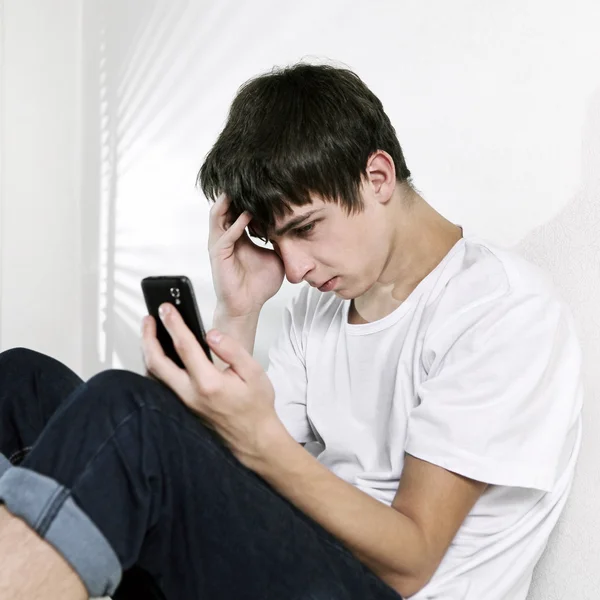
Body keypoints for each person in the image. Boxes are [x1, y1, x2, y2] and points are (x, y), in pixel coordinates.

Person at [0, 63, 582, 600]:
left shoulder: (499, 308)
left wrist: (262, 440)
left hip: (384, 590)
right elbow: (234, 463)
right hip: (295, 562)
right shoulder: (323, 306)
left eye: (306, 228)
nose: (296, 269)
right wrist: (241, 311)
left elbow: (413, 560)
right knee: (19, 382)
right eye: (278, 242)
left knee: (127, 413)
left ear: (377, 176)